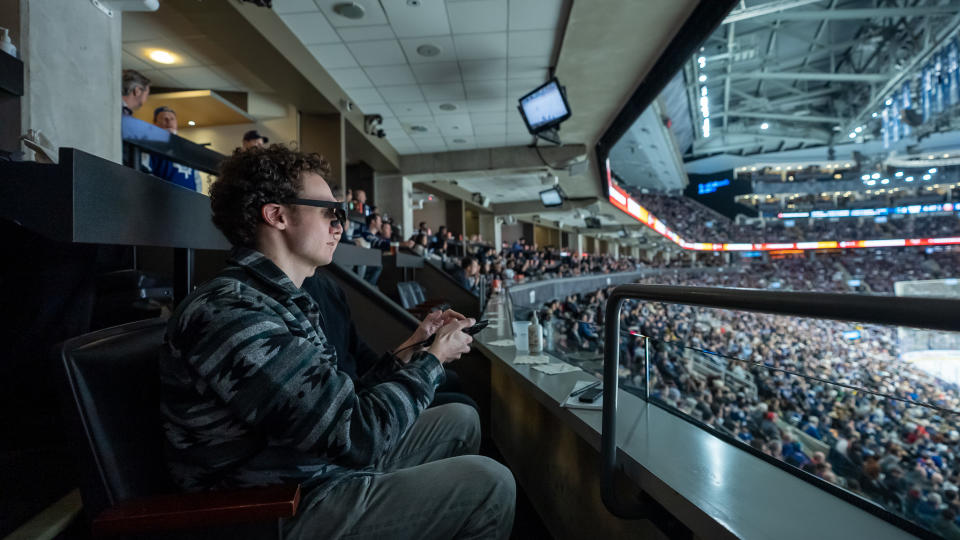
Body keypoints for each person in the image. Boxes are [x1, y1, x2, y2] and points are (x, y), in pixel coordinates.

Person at [160, 144, 515, 540]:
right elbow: (358, 436)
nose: (340, 226)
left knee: (460, 419)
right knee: (489, 483)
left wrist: (416, 347)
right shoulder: (234, 314)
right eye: (330, 212)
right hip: (278, 505)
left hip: (314, 467)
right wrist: (433, 361)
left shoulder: (281, 299)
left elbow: (335, 404)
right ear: (276, 215)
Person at [141, 106, 201, 191]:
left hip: (190, 200)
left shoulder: (186, 148)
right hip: (162, 198)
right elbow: (144, 171)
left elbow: (196, 179)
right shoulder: (149, 145)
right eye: (164, 118)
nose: (168, 121)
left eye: (172, 118)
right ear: (154, 123)